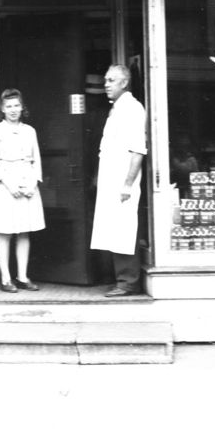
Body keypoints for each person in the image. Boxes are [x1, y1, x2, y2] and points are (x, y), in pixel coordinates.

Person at [90, 64, 148, 297]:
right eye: (105, 80)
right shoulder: (116, 109)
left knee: (124, 229)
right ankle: (120, 278)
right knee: (113, 228)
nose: (106, 85)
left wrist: (127, 183)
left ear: (124, 83)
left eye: (111, 80)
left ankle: (128, 282)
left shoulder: (132, 109)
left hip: (123, 181)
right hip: (111, 179)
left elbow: (138, 151)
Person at [0, 89, 45, 292]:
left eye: (16, 105)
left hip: (27, 183)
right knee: (5, 232)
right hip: (5, 186)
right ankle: (6, 279)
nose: (13, 110)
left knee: (24, 232)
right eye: (8, 106)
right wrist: (10, 185)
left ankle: (23, 277)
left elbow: (36, 159)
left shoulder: (30, 131)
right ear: (2, 109)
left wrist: (33, 183)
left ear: (22, 107)